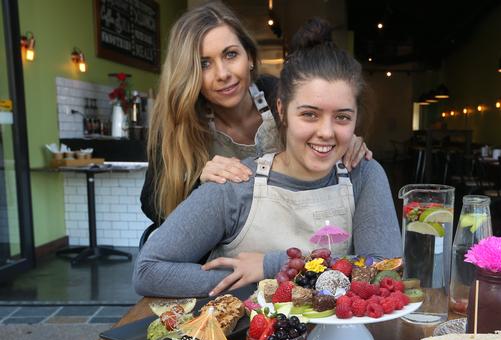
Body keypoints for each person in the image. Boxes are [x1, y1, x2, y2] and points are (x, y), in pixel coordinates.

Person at [133, 18, 401, 298]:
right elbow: (151, 258)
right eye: (309, 114)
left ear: (249, 57)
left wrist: (271, 267)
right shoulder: (226, 179)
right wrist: (201, 189)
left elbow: (384, 272)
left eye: (342, 116)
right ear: (282, 110)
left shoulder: (362, 172)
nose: (326, 131)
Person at [141, 1, 371, 225]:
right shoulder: (179, 121)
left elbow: (323, 130)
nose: (223, 74)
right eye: (204, 64)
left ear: (249, 57)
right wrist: (200, 189)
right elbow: (153, 205)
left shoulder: (279, 94)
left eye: (230, 55)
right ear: (189, 72)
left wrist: (343, 143)